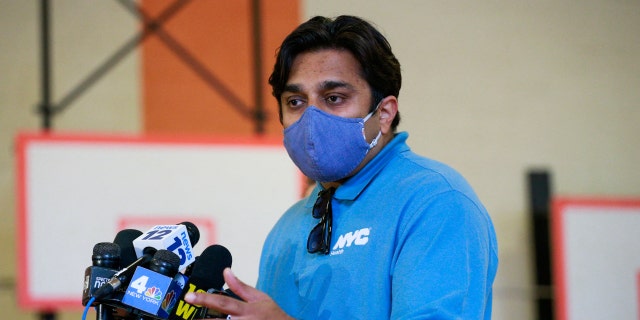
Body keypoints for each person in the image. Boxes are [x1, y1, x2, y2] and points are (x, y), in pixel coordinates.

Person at [185, 15, 498, 319]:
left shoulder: (436, 202)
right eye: (295, 101)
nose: (311, 118)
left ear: (385, 113)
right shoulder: (288, 228)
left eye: (333, 98)